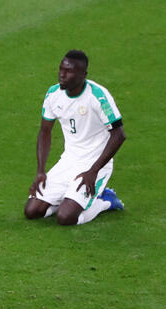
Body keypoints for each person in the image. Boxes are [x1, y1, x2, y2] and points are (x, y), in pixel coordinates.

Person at [24, 50, 126, 226]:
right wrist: (41, 171)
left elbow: (119, 135)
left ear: (83, 75)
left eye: (69, 71)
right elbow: (44, 132)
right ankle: (66, 198)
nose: (62, 75)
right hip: (68, 162)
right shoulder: (53, 95)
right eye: (61, 69)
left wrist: (93, 171)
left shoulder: (97, 96)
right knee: (32, 211)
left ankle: (105, 200)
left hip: (95, 164)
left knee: (66, 218)